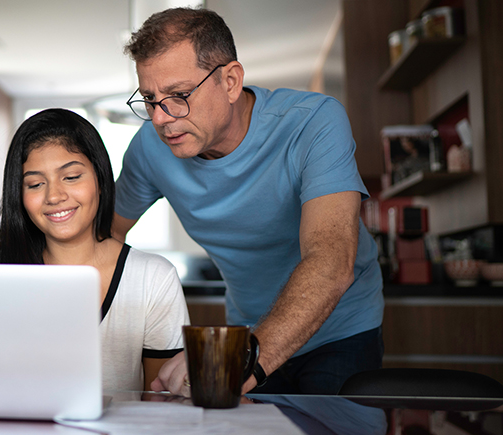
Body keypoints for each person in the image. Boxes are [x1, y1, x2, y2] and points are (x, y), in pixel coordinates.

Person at [114, 7, 384, 395]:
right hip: (246, 330)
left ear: (230, 81)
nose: (160, 118)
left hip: (340, 331)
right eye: (150, 99)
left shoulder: (313, 122)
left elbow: (331, 260)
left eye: (178, 95)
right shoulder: (149, 150)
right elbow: (104, 237)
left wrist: (240, 360)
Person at [0, 108, 190, 391]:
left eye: (72, 177)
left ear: (100, 179)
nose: (54, 196)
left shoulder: (153, 279)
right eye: (35, 184)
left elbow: (162, 402)